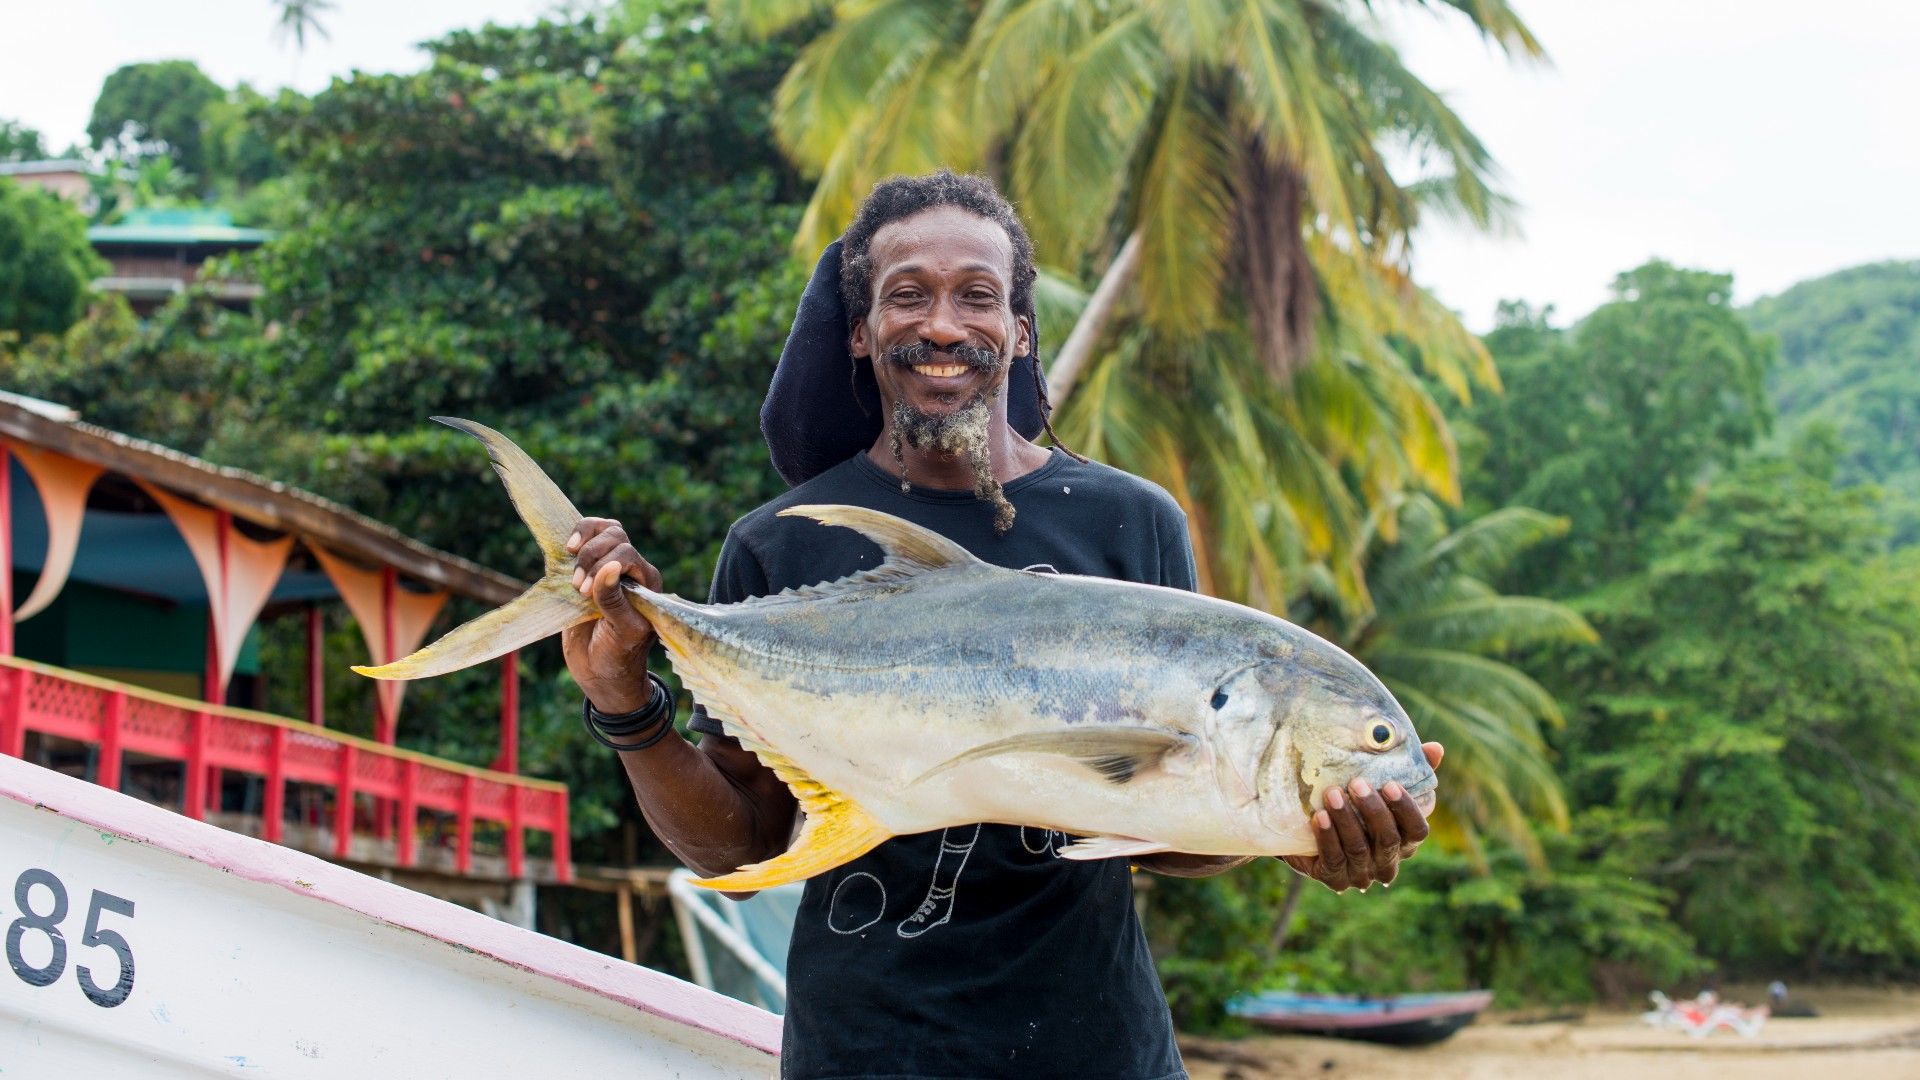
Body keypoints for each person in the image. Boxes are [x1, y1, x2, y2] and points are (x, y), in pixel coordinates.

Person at [560, 171, 1442, 1079]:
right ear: (860, 333)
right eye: (908, 295)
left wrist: (1297, 829)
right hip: (863, 1054)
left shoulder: (1129, 521)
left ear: (1020, 330)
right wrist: (626, 704)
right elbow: (740, 837)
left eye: (976, 295)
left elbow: (1174, 821)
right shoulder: (779, 544)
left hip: (1098, 1053)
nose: (943, 324)